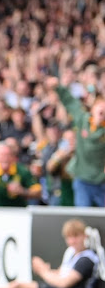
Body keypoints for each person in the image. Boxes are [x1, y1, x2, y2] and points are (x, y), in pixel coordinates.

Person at [52, 78, 105, 207]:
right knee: (82, 213)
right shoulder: (83, 120)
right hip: (82, 178)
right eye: (100, 110)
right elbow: (71, 103)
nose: (102, 113)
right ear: (92, 110)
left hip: (101, 180)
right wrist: (58, 87)